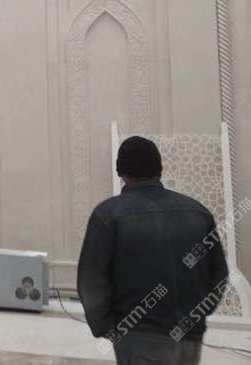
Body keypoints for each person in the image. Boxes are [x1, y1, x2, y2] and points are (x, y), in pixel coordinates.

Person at [77, 136, 229, 365]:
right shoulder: (198, 213)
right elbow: (219, 275)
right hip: (189, 337)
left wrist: (106, 328)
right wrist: (197, 315)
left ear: (121, 171)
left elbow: (91, 283)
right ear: (159, 169)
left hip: (138, 337)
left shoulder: (108, 215)